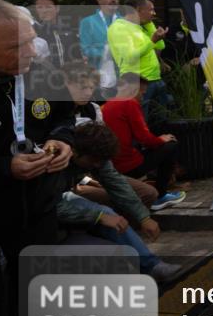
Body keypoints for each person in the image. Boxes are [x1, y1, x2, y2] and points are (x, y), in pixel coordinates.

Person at [0, 0, 82, 316]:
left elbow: (64, 115)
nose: (29, 53)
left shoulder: (38, 69)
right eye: (15, 48)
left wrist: (64, 142)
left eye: (30, 42)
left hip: (36, 208)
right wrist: (2, 167)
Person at [57, 121, 181, 282]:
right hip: (42, 207)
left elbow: (117, 184)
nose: (97, 165)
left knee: (112, 214)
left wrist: (144, 217)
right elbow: (48, 205)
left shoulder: (96, 157)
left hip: (65, 195)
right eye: (93, 161)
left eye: (100, 161)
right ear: (75, 152)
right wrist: (98, 216)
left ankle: (152, 265)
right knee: (104, 215)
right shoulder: (56, 157)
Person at [61, 60, 159, 207]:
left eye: (91, 87)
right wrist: (87, 180)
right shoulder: (53, 114)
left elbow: (102, 149)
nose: (88, 92)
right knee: (114, 198)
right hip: (69, 181)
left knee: (148, 193)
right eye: (82, 87)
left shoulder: (94, 109)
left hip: (98, 171)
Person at [101, 73, 187, 211]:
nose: (142, 97)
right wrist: (161, 139)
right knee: (171, 145)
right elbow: (145, 139)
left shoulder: (106, 105)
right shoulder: (129, 102)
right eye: (142, 92)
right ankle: (161, 195)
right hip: (128, 166)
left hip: (113, 165)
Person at [107, 0, 170, 120]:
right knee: (141, 121)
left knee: (162, 120)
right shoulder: (119, 28)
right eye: (151, 9)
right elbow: (129, 56)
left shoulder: (141, 26)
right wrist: (152, 40)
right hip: (138, 83)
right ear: (137, 9)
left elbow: (161, 46)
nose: (154, 13)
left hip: (155, 79)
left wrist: (151, 27)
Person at [78, 0, 121, 93]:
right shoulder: (87, 22)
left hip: (121, 76)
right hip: (98, 74)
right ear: (99, 1)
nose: (113, 0)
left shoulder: (124, 21)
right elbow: (85, 49)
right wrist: (106, 49)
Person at [32, 0, 76, 65]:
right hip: (42, 74)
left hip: (68, 73)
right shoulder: (32, 33)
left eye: (48, 7)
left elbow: (76, 55)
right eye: (40, 7)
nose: (44, 11)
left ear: (57, 8)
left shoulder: (69, 30)